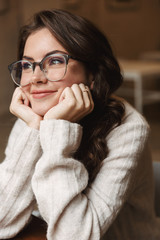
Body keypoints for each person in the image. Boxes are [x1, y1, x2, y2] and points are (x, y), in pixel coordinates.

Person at [0, 9, 160, 240]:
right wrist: (35, 128)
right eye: (27, 65)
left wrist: (57, 129)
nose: (35, 78)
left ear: (92, 73)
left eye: (54, 61)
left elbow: (73, 236)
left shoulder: (128, 129)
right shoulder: (33, 115)